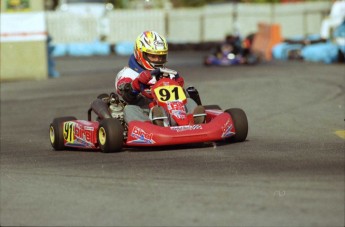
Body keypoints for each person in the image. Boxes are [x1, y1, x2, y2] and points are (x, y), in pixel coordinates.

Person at [115, 31, 205, 126]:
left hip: (172, 109)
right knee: (129, 109)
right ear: (139, 54)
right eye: (153, 56)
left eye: (160, 56)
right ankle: (149, 126)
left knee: (189, 101)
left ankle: (194, 121)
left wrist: (179, 87)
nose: (158, 60)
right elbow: (124, 93)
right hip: (144, 109)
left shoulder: (168, 73)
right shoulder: (128, 73)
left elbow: (178, 96)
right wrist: (135, 84)